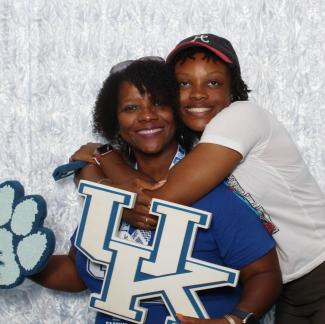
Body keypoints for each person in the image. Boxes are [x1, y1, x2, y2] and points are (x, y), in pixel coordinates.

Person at [72, 34, 325, 324]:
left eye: (213, 82)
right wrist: (95, 173)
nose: (198, 94)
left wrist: (103, 160)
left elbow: (156, 201)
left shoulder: (242, 117)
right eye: (183, 84)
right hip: (288, 286)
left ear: (234, 89)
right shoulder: (195, 145)